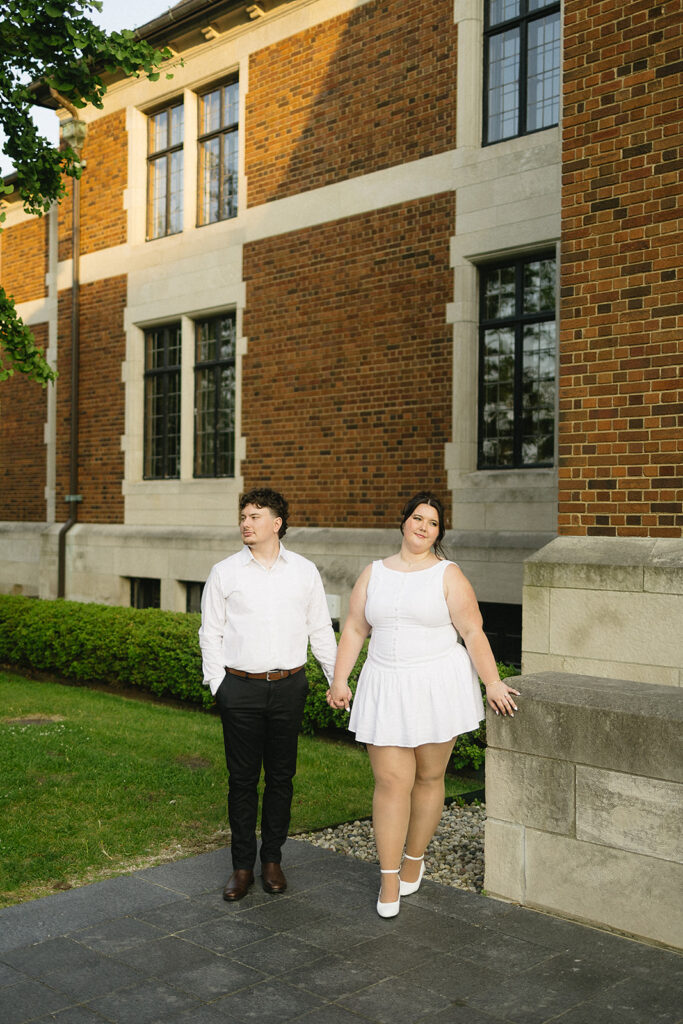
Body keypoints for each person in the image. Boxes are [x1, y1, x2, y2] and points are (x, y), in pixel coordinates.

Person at [326, 491, 520, 918]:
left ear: (438, 533)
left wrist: (492, 682)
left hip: (436, 685)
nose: (424, 527)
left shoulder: (448, 575)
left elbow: (472, 632)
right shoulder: (373, 573)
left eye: (433, 523)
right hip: (386, 684)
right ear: (404, 521)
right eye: (418, 518)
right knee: (392, 782)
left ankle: (415, 856)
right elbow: (356, 629)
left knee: (429, 777)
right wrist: (340, 679)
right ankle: (390, 875)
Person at [199, 487, 340, 901]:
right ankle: (242, 867)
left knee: (281, 777)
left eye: (255, 516)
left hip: (288, 687)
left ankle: (272, 859)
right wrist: (218, 685)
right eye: (243, 516)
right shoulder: (225, 572)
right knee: (242, 781)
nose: (246, 523)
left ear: (277, 523)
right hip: (238, 689)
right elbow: (211, 633)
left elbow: (320, 631)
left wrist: (336, 680)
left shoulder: (304, 571)